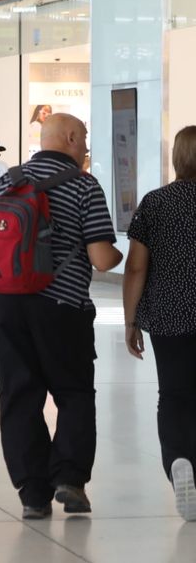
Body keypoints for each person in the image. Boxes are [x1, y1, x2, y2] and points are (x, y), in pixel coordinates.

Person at [0, 113, 123, 520]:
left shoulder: (10, 180)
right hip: (63, 306)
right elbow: (102, 258)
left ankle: (33, 492)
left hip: (10, 305)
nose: (86, 146)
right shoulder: (84, 185)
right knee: (73, 393)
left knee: (19, 395)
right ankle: (69, 478)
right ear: (68, 137)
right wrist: (127, 254)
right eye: (83, 138)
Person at [122, 125, 196, 521]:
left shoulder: (156, 202)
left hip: (170, 315)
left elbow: (135, 267)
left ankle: (179, 462)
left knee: (174, 395)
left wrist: (130, 320)